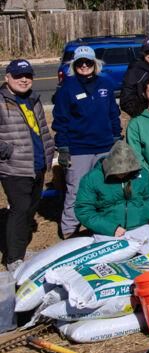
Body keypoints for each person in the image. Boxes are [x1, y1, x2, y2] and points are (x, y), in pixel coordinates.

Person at [54, 46, 121, 238]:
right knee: (76, 189)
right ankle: (69, 230)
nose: (84, 65)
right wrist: (64, 148)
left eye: (88, 62)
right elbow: (61, 120)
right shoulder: (67, 88)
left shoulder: (105, 84)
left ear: (95, 64)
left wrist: (116, 138)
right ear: (74, 65)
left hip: (104, 146)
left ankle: (104, 224)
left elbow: (113, 114)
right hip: (78, 148)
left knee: (105, 188)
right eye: (80, 62)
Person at [0, 59, 54, 271]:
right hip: (15, 167)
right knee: (19, 210)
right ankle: (13, 259)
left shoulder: (33, 98)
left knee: (31, 208)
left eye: (28, 76)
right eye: (18, 76)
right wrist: (6, 150)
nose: (24, 80)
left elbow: (41, 128)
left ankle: (20, 250)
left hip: (37, 164)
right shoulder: (3, 100)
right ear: (7, 78)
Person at [74, 141, 149, 238]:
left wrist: (142, 216)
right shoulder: (92, 178)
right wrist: (111, 228)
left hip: (140, 226)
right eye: (118, 171)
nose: (122, 174)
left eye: (126, 171)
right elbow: (84, 210)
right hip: (108, 231)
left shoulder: (142, 174)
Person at [120, 36, 149, 118]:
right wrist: (144, 115)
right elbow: (125, 101)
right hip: (144, 117)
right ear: (143, 52)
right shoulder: (134, 70)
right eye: (148, 51)